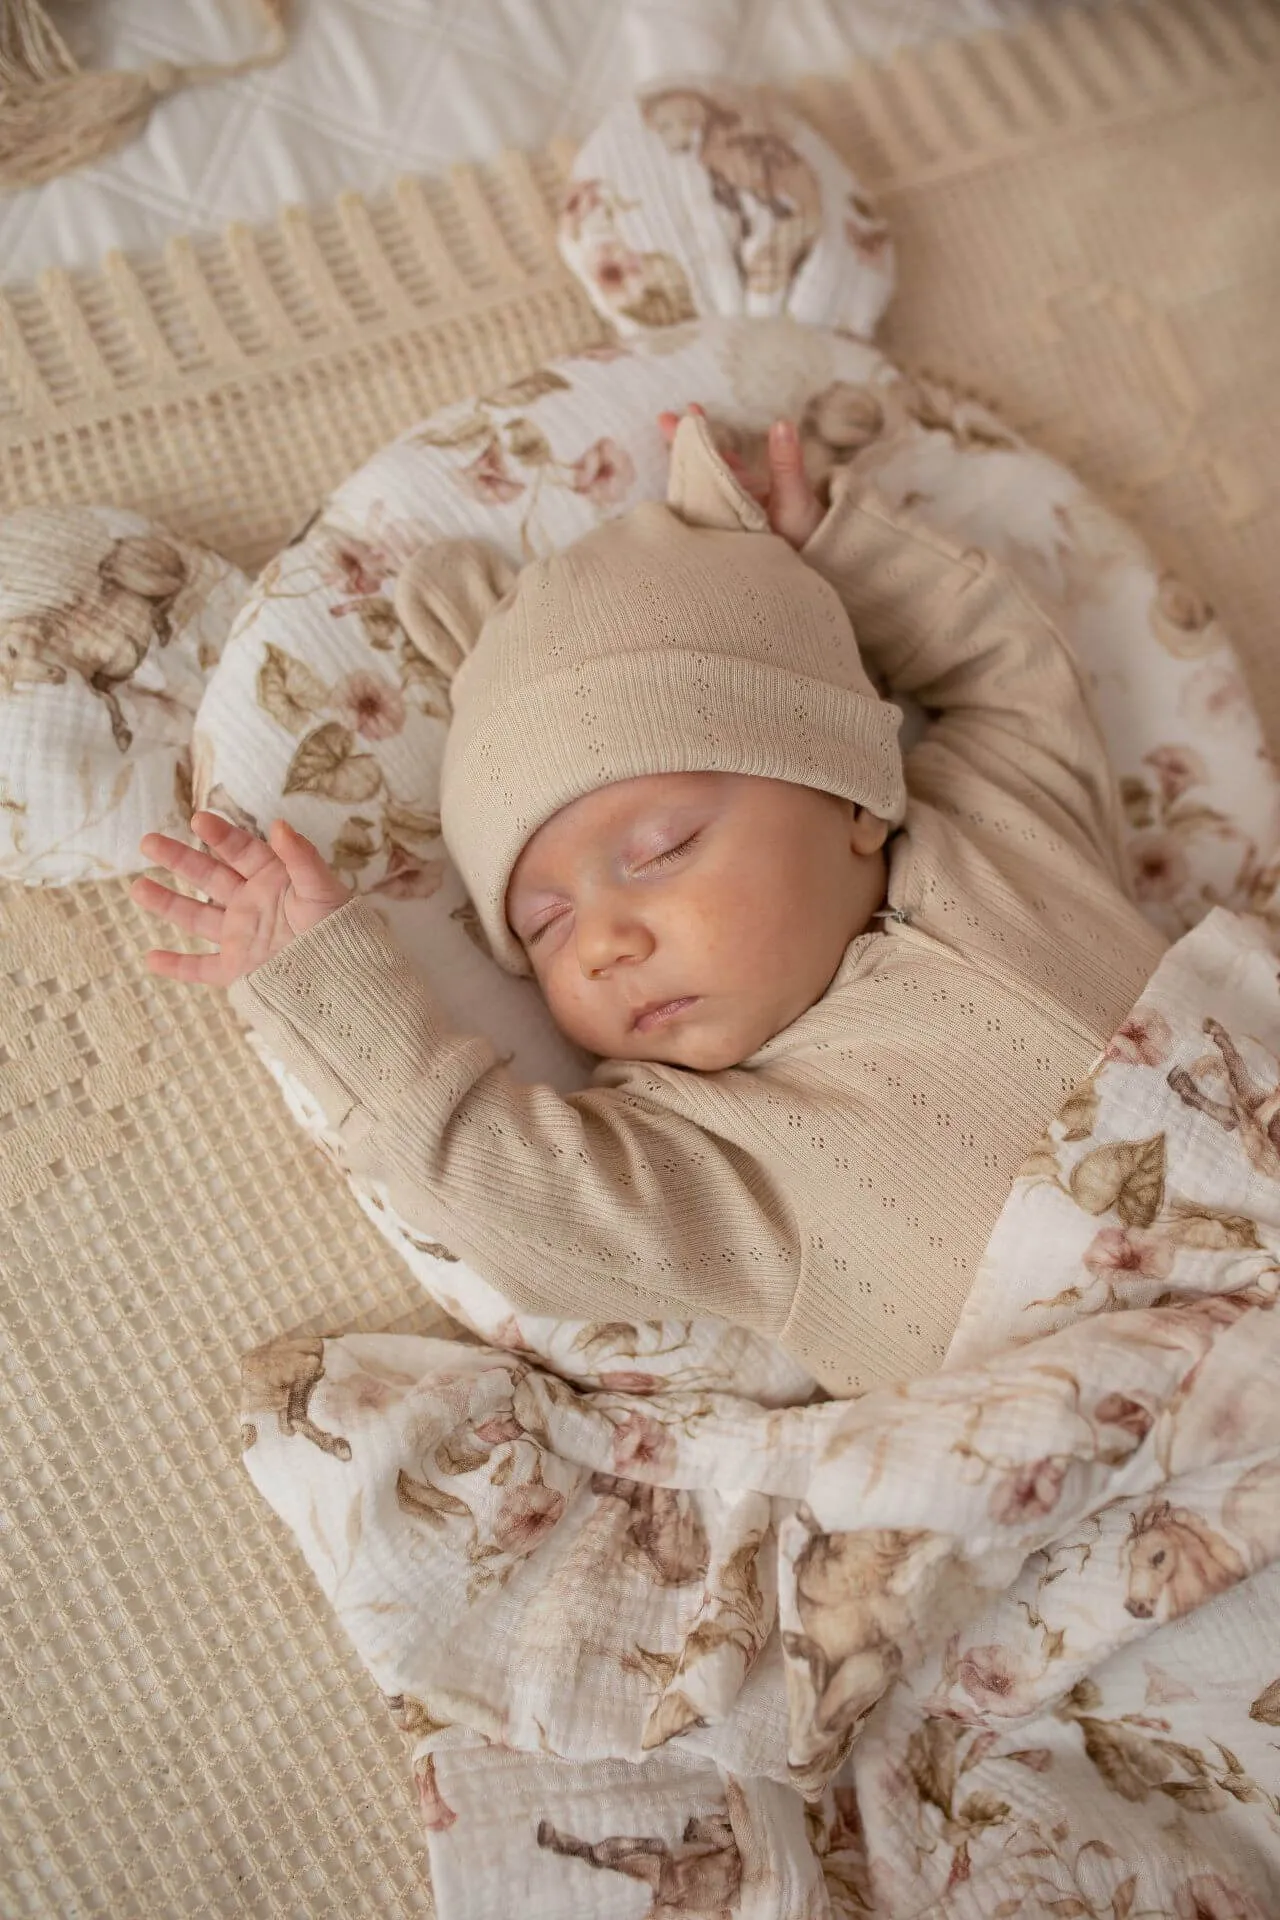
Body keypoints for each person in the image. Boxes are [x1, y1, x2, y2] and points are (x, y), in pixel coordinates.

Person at [133, 409, 1165, 1395]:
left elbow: (1015, 671)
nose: (601, 947)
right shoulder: (711, 1149)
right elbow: (500, 1194)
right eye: (540, 927)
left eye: (661, 851)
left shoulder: (1004, 827)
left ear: (852, 793)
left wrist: (836, 562)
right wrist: (323, 980)